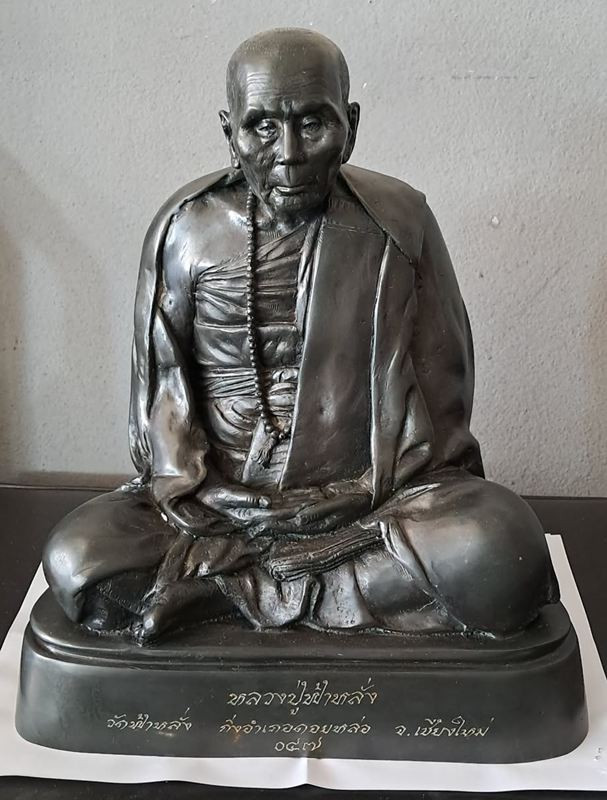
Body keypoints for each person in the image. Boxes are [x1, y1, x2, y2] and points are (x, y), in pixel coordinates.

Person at [43, 28, 558, 642]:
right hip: (216, 510)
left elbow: (444, 411)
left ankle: (224, 592)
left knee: (502, 548)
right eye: (262, 126)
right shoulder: (184, 231)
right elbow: (161, 403)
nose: (288, 153)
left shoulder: (399, 226)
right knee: (77, 556)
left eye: (313, 123)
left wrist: (361, 492)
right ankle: (301, 585)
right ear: (229, 132)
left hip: (367, 508)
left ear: (351, 126)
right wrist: (206, 495)